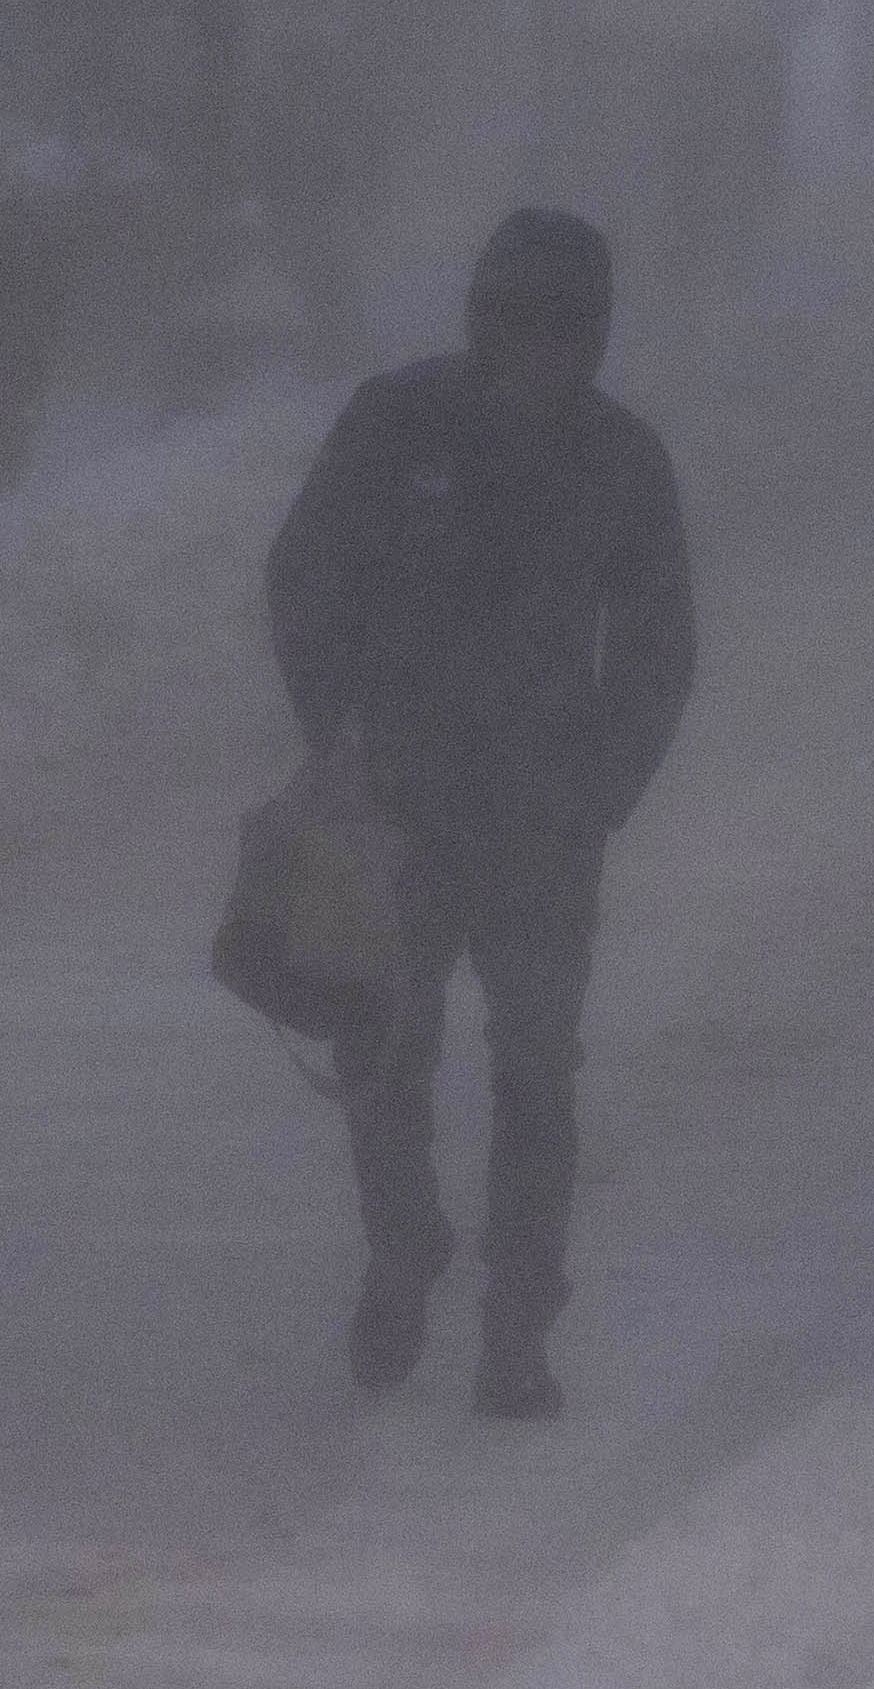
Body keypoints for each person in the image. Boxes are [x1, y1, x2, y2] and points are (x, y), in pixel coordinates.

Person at [263, 204, 699, 1416]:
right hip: (395, 807)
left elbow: (659, 643)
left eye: (561, 329)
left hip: (542, 822)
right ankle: (402, 1249)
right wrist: (335, 732)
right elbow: (304, 571)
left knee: (535, 1069)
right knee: (379, 1052)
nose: (535, 352)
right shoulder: (395, 423)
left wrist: (602, 787)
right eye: (516, 323)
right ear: (481, 319)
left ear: (592, 336)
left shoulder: (620, 461)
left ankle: (517, 1323)